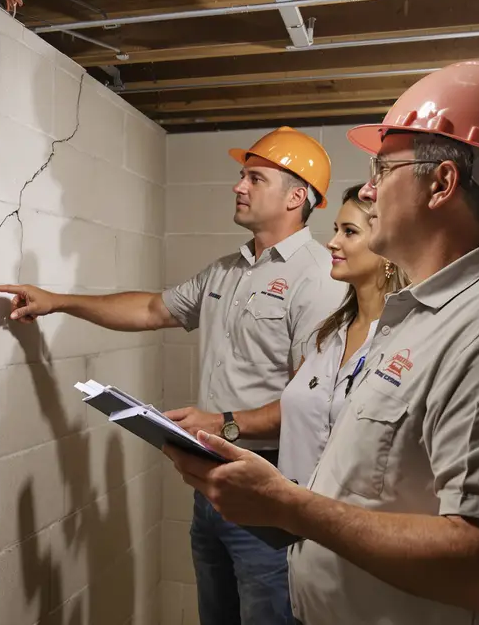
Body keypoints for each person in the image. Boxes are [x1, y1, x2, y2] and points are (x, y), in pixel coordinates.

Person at [163, 60, 479, 625]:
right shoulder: (430, 313)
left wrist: (287, 504)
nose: (369, 190)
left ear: (442, 183)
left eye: (384, 168)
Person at [0, 126, 346, 625]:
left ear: (297, 197)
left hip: (267, 489)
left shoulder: (320, 278)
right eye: (241, 176)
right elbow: (154, 308)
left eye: (255, 178)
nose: (238, 186)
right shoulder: (227, 271)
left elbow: (315, 401)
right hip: (211, 489)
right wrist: (58, 301)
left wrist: (222, 423)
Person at [166, 184, 408, 490]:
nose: (332, 242)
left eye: (349, 232)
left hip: (349, 514)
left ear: (387, 247)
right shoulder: (330, 333)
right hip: (294, 506)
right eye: (336, 229)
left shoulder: (405, 338)